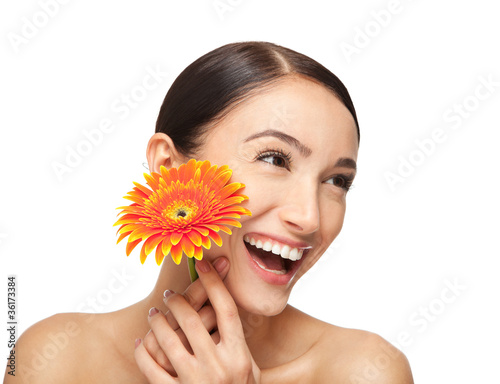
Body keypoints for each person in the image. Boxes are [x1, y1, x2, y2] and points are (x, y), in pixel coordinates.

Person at [5, 41, 413, 383]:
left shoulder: (362, 372)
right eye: (274, 159)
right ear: (168, 167)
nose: (310, 218)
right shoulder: (53, 360)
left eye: (337, 181)